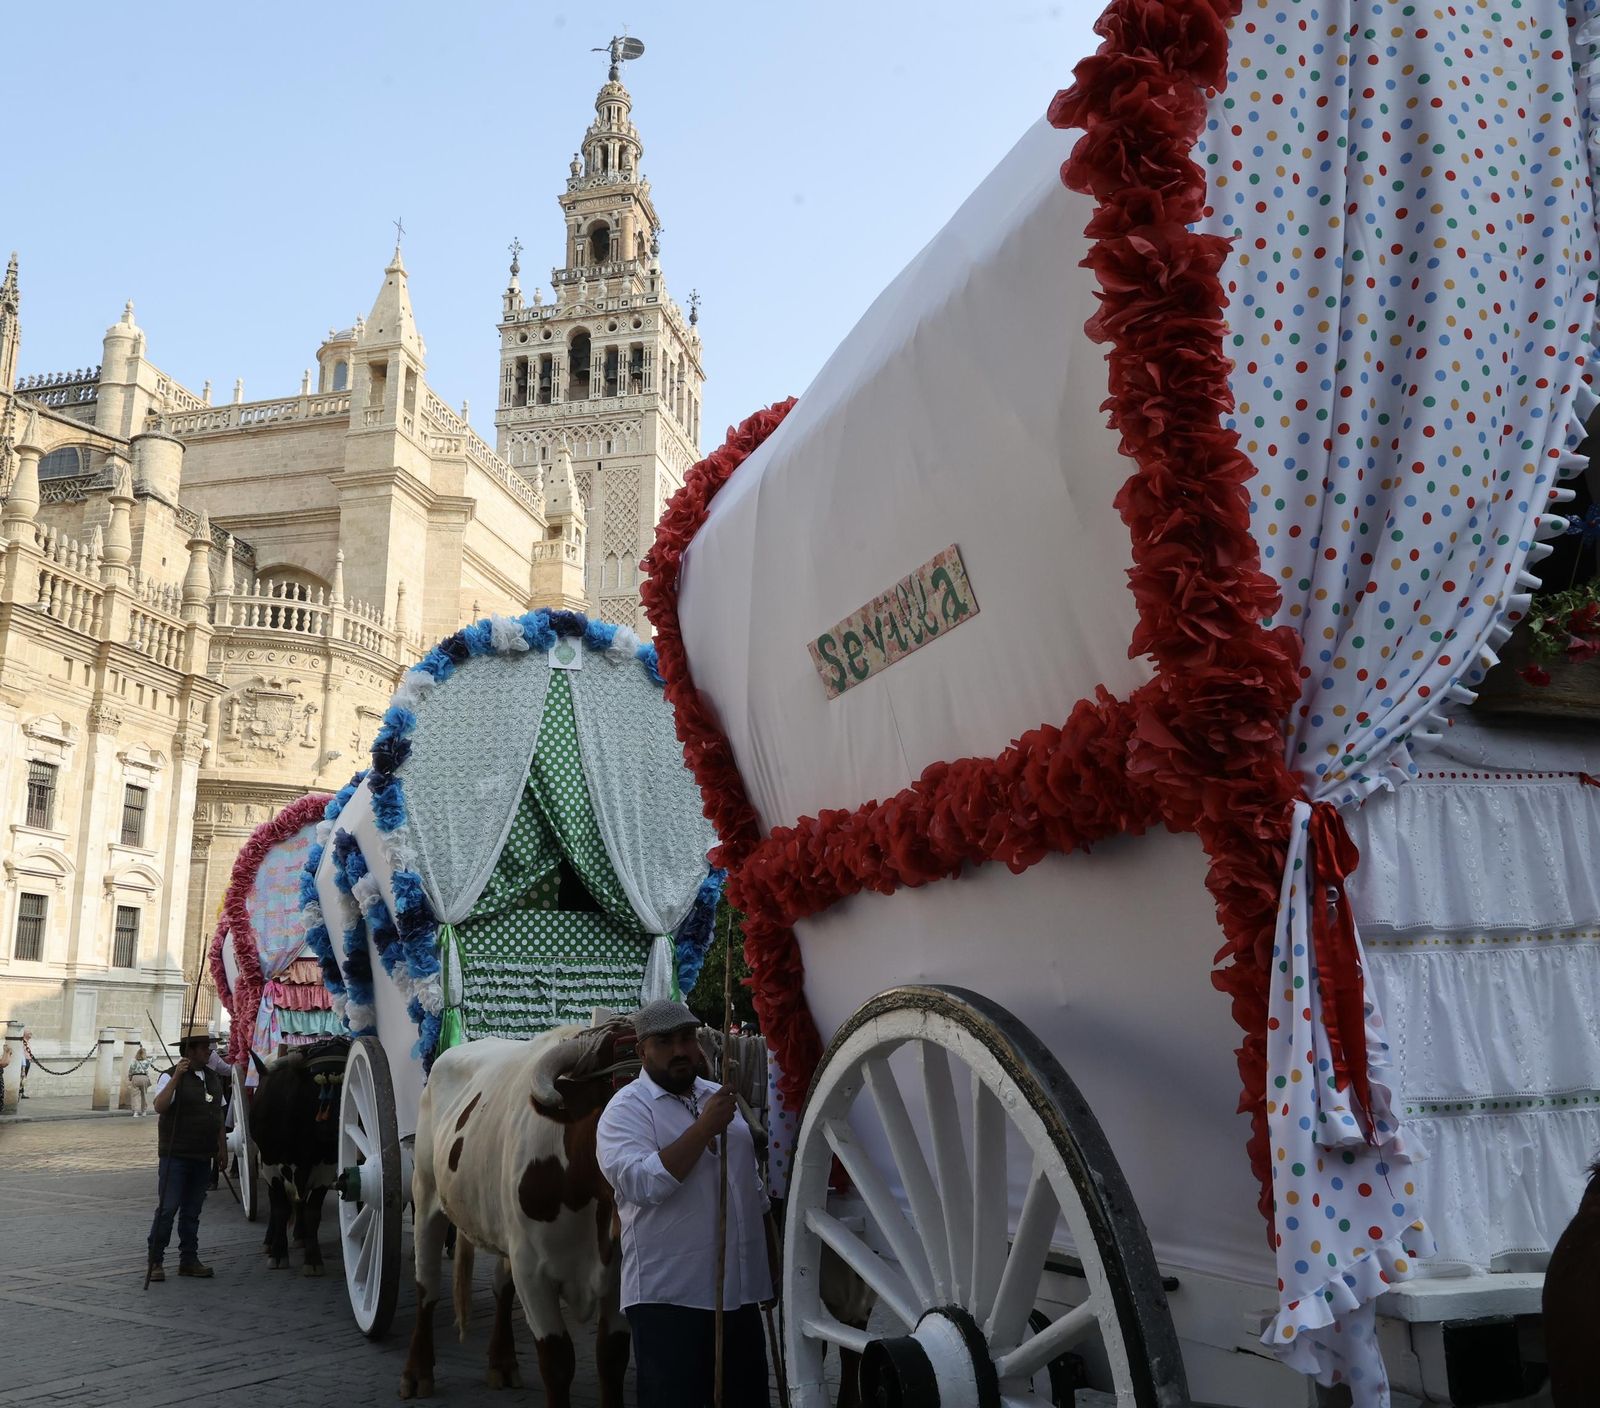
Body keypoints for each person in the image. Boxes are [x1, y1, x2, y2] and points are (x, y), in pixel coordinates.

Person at [596, 999, 771, 1408]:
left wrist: (770, 1263)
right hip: (670, 1296)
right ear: (642, 1051)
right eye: (665, 1042)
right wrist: (703, 1129)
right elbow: (641, 1184)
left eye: (687, 1038)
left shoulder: (719, 1097)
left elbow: (751, 1184)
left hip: (740, 1291)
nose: (680, 1050)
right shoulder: (626, 1110)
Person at [144, 1028, 227, 1280]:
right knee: (168, 1208)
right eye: (204, 1048)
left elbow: (219, 1114)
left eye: (209, 1047)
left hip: (203, 1156)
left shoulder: (212, 1077)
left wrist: (222, 1149)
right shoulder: (169, 1076)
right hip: (176, 1155)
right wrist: (177, 1078)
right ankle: (155, 1261)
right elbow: (160, 1106)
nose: (209, 1052)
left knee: (192, 1211)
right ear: (190, 1050)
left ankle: (189, 1260)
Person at [128, 1046, 153, 1117]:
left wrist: (130, 1077)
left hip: (135, 1077)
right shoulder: (147, 1061)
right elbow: (154, 1058)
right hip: (144, 1077)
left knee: (135, 1095)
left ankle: (136, 1112)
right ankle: (144, 1111)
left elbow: (130, 1071)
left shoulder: (134, 1061)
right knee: (144, 1094)